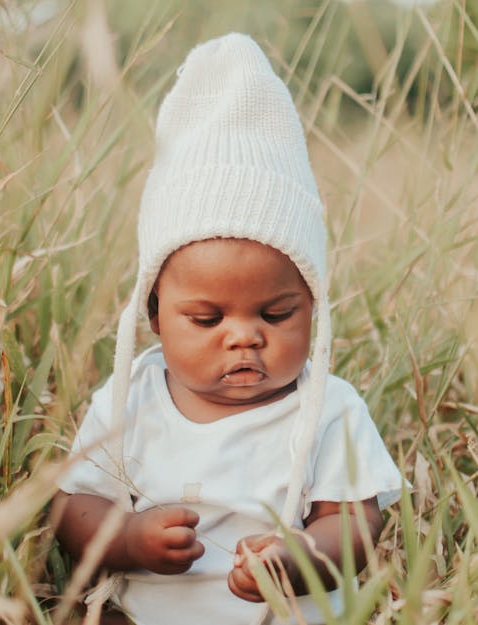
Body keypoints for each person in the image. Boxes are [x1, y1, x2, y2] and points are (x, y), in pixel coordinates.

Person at [50, 33, 404, 625]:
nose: (244, 337)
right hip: (146, 610)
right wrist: (129, 538)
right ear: (154, 312)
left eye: (276, 313)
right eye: (208, 318)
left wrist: (304, 556)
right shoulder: (127, 399)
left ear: (314, 307)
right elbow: (71, 508)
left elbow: (356, 521)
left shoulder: (329, 408)